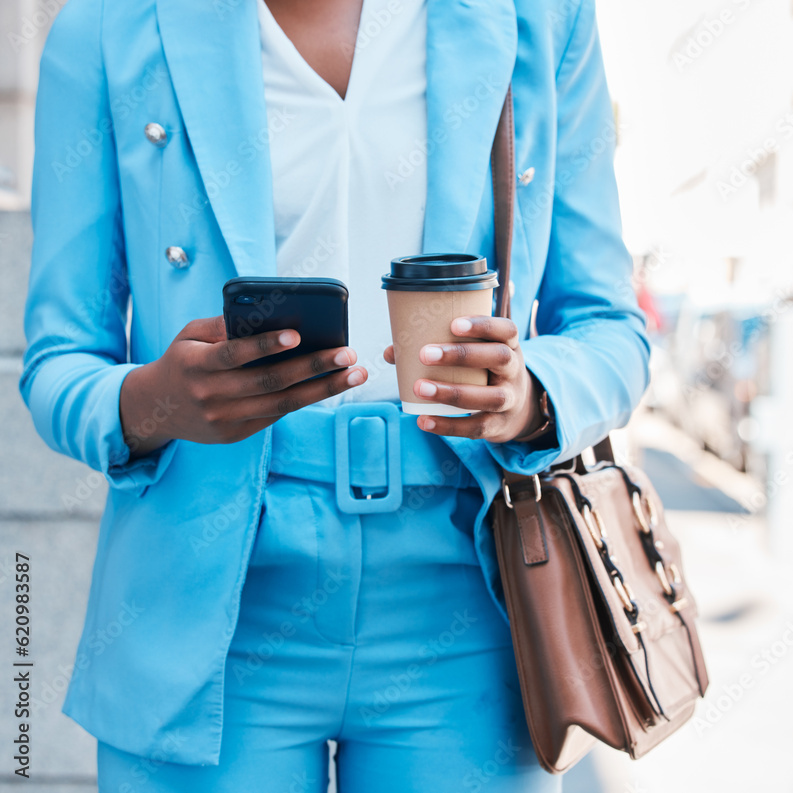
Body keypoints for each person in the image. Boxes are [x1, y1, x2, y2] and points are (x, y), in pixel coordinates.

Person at [20, 0, 649, 790]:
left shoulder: (540, 19)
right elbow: (57, 362)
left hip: (468, 597)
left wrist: (531, 397)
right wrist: (159, 401)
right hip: (210, 607)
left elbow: (610, 328)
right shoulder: (112, 27)